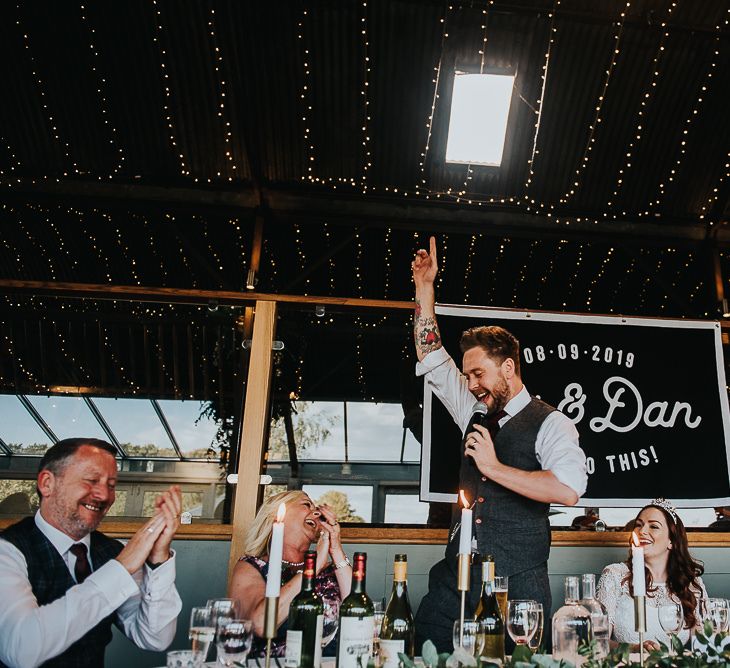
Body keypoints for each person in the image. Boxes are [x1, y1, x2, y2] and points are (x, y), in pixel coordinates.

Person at [411, 236, 587, 652]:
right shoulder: (472, 406)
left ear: (508, 367)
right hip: (454, 581)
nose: (471, 385)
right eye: (468, 376)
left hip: (519, 587)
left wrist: (493, 468)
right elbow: (431, 355)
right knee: (423, 654)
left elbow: (567, 488)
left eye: (479, 374)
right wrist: (424, 288)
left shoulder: (552, 422)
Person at [0, 438, 182, 667]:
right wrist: (121, 568)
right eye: (92, 480)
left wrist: (158, 559)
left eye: (112, 484)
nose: (104, 495)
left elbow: (154, 638)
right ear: (47, 484)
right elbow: (21, 650)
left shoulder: (110, 551)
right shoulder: (7, 551)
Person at [229, 490, 352, 657]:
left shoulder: (332, 570)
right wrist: (313, 568)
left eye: (317, 509)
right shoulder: (251, 566)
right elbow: (261, 624)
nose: (317, 513)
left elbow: (360, 617)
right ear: (276, 515)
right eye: (306, 505)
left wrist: (335, 548)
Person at [597, 499, 708, 651]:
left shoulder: (691, 584)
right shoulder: (614, 575)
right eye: (639, 524)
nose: (642, 531)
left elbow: (704, 645)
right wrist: (632, 649)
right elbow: (597, 643)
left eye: (654, 526)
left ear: (672, 541)